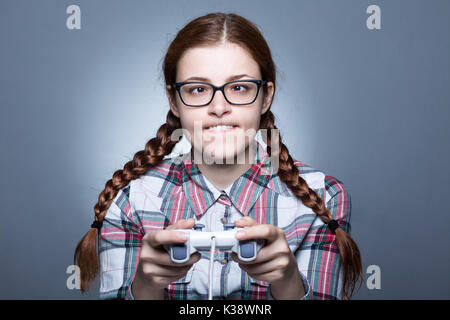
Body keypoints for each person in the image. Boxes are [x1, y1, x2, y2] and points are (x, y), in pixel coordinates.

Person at [74, 12, 363, 300]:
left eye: (239, 87)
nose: (219, 106)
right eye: (198, 89)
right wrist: (146, 288)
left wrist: (288, 282)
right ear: (174, 101)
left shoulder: (324, 196)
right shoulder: (129, 200)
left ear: (266, 96)